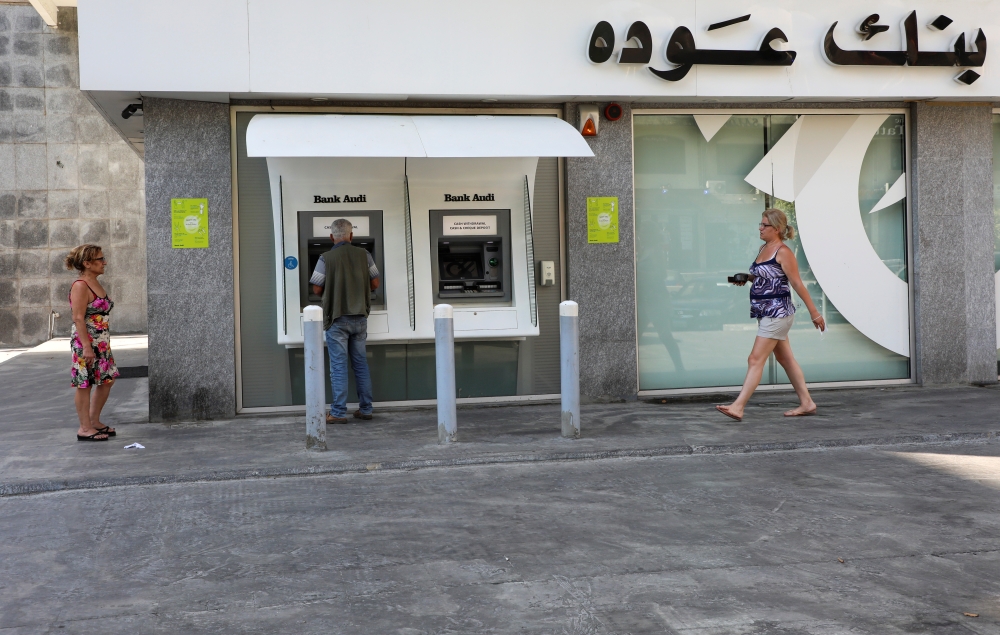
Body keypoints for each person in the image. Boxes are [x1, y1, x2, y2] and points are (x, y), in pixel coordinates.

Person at [716, 209, 826, 422]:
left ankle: (738, 407)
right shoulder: (764, 248)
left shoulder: (783, 252)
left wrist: (814, 313)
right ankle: (807, 403)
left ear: (776, 229)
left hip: (778, 313)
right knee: (785, 358)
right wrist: (747, 278)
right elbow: (763, 278)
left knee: (755, 358)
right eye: (760, 224)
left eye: (764, 225)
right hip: (765, 312)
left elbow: (796, 283)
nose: (760, 227)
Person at [310, 218, 381, 424]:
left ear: (332, 237)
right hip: (360, 317)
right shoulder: (365, 255)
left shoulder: (325, 258)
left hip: (337, 317)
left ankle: (338, 412)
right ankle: (366, 409)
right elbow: (375, 283)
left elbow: (316, 288)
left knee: (338, 366)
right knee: (360, 364)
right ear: (351, 236)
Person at [66, 244, 120, 441]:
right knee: (84, 383)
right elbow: (78, 318)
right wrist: (87, 347)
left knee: (108, 379)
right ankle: (84, 428)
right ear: (87, 263)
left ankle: (94, 421)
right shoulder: (80, 286)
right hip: (85, 343)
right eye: (100, 259)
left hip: (102, 343)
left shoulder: (96, 283)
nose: (104, 262)